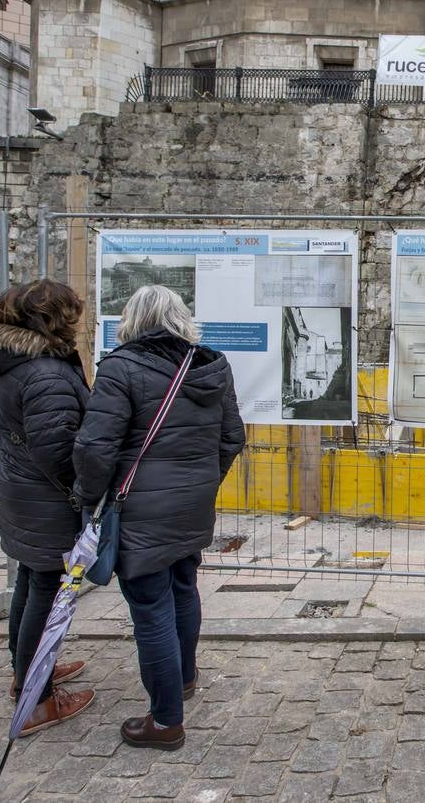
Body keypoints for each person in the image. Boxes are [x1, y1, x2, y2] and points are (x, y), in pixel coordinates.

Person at [73, 285, 245, 750]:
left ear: (132, 319)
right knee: (183, 588)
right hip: (190, 504)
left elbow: (95, 447)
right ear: (180, 318)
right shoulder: (209, 365)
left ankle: (167, 720)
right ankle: (184, 678)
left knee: (151, 608)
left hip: (139, 509)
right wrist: (203, 482)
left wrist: (91, 499)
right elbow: (232, 437)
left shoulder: (120, 367)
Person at [0, 279, 95, 735]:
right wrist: (85, 490)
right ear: (54, 319)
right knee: (46, 593)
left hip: (22, 492)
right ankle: (37, 701)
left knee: (30, 581)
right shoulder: (44, 372)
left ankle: (26, 676)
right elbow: (59, 450)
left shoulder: (11, 361)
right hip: (47, 498)